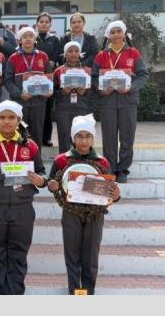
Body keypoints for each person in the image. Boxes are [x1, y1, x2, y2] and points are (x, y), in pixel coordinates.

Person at [0, 100, 48, 295]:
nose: (6, 121)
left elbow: (41, 172)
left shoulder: (30, 146)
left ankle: (16, 292)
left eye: (11, 117)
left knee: (19, 252)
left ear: (18, 120)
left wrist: (41, 180)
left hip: (23, 208)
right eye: (2, 117)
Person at [46, 114, 121, 295]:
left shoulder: (102, 162)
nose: (84, 140)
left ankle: (88, 291)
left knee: (91, 255)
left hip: (95, 214)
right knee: (72, 254)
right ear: (73, 138)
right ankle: (75, 291)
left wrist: (116, 196)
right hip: (71, 212)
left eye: (88, 136)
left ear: (93, 138)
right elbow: (52, 182)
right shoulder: (61, 160)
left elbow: (109, 192)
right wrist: (52, 185)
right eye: (79, 136)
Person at [92, 20, 147, 183]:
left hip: (128, 101)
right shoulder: (101, 55)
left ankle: (123, 169)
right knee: (109, 137)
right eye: (113, 32)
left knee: (127, 137)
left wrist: (131, 88)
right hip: (108, 102)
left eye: (119, 31)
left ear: (124, 33)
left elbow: (143, 75)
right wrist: (102, 90)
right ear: (108, 35)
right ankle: (110, 168)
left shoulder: (133, 53)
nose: (116, 35)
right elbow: (93, 78)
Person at [5, 26, 53, 150]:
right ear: (20, 40)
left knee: (37, 133)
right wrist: (20, 94)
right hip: (20, 103)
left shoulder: (43, 56)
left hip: (39, 102)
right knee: (20, 133)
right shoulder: (13, 58)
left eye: (30, 36)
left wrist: (48, 91)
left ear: (35, 39)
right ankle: (20, 159)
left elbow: (49, 77)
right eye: (24, 37)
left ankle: (36, 159)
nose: (28, 39)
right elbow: (8, 81)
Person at [53, 41, 92, 153]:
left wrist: (84, 92)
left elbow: (93, 92)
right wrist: (62, 92)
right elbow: (52, 92)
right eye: (70, 51)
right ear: (65, 54)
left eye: (76, 51)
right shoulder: (58, 71)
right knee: (64, 137)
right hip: (63, 110)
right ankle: (64, 161)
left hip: (82, 108)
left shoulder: (87, 71)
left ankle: (81, 161)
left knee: (81, 137)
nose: (73, 53)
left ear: (80, 53)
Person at [35, 12, 63, 147]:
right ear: (37, 24)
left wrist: (51, 62)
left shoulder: (55, 40)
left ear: (50, 24)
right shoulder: (32, 38)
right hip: (34, 78)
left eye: (46, 22)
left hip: (48, 78)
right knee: (34, 109)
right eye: (41, 21)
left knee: (47, 108)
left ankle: (46, 138)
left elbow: (58, 56)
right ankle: (33, 137)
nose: (44, 24)